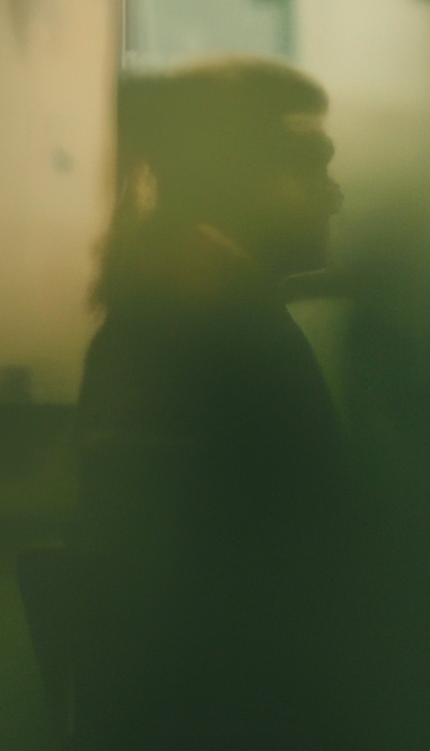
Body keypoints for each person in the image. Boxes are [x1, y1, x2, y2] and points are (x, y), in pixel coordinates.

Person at [73, 58, 353, 653]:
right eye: (308, 166)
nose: (332, 196)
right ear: (233, 176)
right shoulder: (217, 325)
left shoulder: (178, 305)